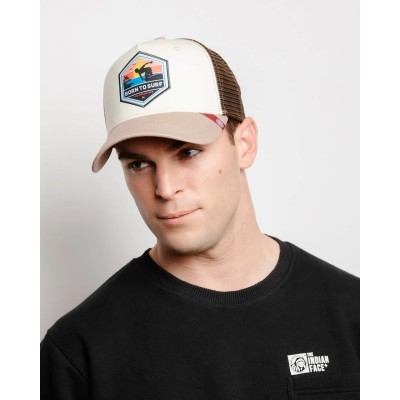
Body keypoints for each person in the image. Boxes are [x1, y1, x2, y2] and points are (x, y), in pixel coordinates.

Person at [41, 37, 360, 399]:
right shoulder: (79, 353)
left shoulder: (356, 315)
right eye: (139, 164)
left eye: (188, 152)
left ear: (245, 144)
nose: (165, 188)